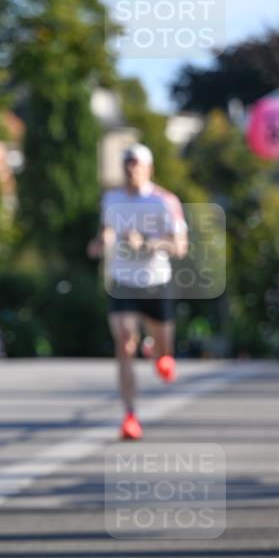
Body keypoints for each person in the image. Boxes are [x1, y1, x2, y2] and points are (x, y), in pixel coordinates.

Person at [88, 143, 188, 440]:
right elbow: (107, 229)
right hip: (122, 283)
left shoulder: (164, 201)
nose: (131, 169)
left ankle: (158, 354)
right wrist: (101, 242)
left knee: (163, 351)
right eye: (127, 164)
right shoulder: (111, 199)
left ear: (149, 168)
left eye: (137, 164)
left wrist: (146, 244)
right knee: (123, 341)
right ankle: (130, 415)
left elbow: (180, 247)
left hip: (155, 282)